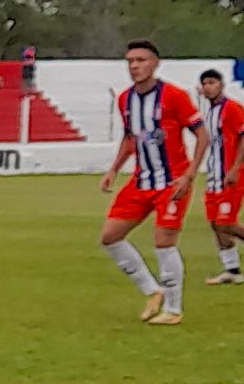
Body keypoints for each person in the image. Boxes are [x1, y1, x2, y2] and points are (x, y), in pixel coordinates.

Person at [99, 40, 208, 326]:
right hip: (141, 180)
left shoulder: (174, 96)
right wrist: (113, 169)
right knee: (109, 236)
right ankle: (153, 290)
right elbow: (129, 138)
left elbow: (203, 135)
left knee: (163, 241)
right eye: (130, 61)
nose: (134, 66)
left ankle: (173, 309)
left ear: (155, 63)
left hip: (172, 181)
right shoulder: (125, 99)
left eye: (141, 60)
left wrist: (190, 174)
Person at [197, 70, 244, 285]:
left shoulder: (232, 108)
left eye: (212, 82)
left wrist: (234, 168)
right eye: (204, 83)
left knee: (226, 223)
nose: (208, 87)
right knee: (215, 223)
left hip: (231, 175)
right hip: (214, 176)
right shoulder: (209, 112)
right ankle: (232, 270)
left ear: (221, 85)